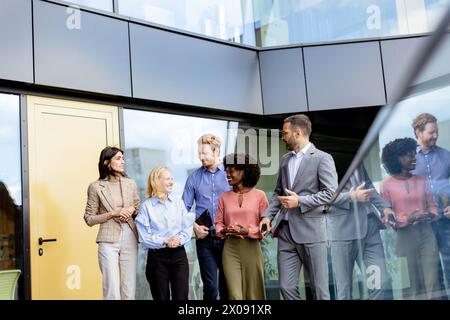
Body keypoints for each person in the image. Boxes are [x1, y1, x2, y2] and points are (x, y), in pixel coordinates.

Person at [260, 114, 338, 300]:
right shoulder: (285, 159)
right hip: (286, 232)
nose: (282, 137)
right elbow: (278, 192)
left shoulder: (322, 158)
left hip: (312, 232)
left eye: (285, 133)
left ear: (298, 132)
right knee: (286, 287)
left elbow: (331, 194)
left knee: (320, 291)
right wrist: (267, 216)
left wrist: (300, 201)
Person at [381, 137, 441, 300]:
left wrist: (430, 214)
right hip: (404, 238)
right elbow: (387, 218)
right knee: (411, 286)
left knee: (432, 282)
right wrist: (408, 218)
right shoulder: (386, 186)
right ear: (397, 159)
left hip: (427, 235)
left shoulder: (421, 180)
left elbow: (433, 207)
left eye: (413, 154)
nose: (414, 158)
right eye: (409, 155)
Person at [328, 164, 393, 300]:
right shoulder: (322, 158)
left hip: (370, 227)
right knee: (345, 289)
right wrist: (351, 197)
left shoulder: (356, 154)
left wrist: (384, 208)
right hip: (343, 230)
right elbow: (322, 196)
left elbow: (367, 184)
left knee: (379, 282)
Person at [84, 146, 140, 300]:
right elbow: (89, 218)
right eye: (118, 158)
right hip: (108, 240)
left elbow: (138, 208)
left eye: (123, 158)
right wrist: (113, 213)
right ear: (107, 162)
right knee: (112, 289)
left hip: (130, 236)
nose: (123, 162)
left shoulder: (131, 184)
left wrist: (131, 210)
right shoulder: (95, 187)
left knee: (129, 287)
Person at [182, 134, 230, 300]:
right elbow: (183, 210)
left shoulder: (230, 175)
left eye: (204, 153)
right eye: (199, 153)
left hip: (228, 238)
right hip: (205, 240)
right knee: (210, 287)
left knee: (228, 286)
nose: (201, 157)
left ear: (216, 151)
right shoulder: (193, 178)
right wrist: (194, 226)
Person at [215, 153, 269, 300]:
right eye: (226, 170)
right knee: (234, 295)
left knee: (254, 294)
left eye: (231, 170)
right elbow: (218, 223)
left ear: (243, 171)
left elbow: (266, 226)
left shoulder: (260, 196)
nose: (227, 174)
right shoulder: (223, 197)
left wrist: (249, 231)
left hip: (252, 247)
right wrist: (223, 230)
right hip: (230, 248)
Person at [135, 166, 194, 300]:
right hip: (157, 259)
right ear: (157, 181)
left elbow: (187, 226)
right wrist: (164, 241)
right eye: (168, 179)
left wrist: (179, 239)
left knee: (181, 297)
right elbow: (143, 237)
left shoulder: (178, 203)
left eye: (172, 179)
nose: (171, 182)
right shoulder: (146, 206)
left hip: (178, 255)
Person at [410, 113, 450, 297]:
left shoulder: (446, 156)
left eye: (437, 132)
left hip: (447, 223)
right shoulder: (408, 162)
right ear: (418, 132)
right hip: (424, 226)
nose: (435, 136)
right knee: (432, 275)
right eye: (431, 132)